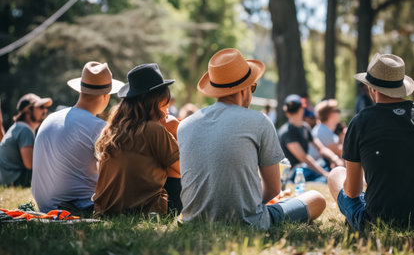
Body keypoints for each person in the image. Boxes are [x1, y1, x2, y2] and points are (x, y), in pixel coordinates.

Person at [178, 48, 326, 229]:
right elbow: (273, 189)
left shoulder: (184, 125)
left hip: (194, 222)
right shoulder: (259, 121)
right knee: (316, 199)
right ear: (244, 90)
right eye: (253, 87)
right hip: (249, 222)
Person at [328, 53, 414, 230]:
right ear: (402, 87)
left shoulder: (361, 121)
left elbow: (352, 192)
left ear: (372, 89)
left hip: (378, 221)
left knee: (336, 174)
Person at [32, 61, 124, 214]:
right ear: (106, 97)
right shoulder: (98, 127)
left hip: (44, 207)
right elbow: (114, 174)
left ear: (80, 91)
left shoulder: (50, 119)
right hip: (77, 208)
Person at [93, 63, 181, 216]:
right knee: (173, 166)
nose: (167, 108)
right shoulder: (153, 130)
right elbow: (185, 169)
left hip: (105, 211)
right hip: (142, 211)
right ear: (156, 100)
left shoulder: (111, 130)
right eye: (165, 102)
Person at [278, 94, 343, 183]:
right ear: (301, 109)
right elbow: (304, 158)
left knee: (325, 163)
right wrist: (324, 173)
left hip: (306, 168)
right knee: (323, 175)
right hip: (293, 172)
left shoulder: (305, 127)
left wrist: (334, 158)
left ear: (287, 113)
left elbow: (321, 148)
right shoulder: (287, 132)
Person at [0, 94, 52, 187]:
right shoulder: (25, 130)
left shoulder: (18, 127)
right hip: (15, 181)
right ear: (28, 110)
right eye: (41, 107)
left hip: (7, 180)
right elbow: (30, 165)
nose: (45, 110)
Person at [308, 99, 343, 168]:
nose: (339, 113)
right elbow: (340, 152)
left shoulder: (323, 129)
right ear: (332, 114)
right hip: (320, 171)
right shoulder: (323, 131)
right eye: (338, 110)